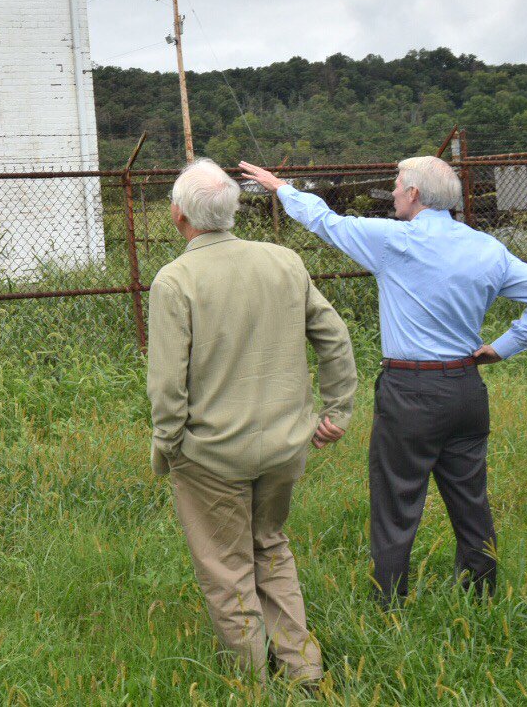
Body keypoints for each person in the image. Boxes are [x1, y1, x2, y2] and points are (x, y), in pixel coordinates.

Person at [239, 155, 527, 603]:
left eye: (397, 185)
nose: (392, 192)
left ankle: (389, 604)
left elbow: (325, 221)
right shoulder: (487, 248)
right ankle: (482, 596)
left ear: (413, 194)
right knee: (470, 497)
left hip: (410, 390)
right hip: (467, 388)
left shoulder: (394, 241)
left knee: (397, 499)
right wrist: (503, 347)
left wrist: (280, 187)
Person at [147, 159, 357, 685]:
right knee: (270, 544)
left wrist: (169, 446)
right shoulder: (283, 261)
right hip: (286, 446)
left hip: (210, 454)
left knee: (226, 567)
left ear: (178, 216)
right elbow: (334, 338)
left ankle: (252, 681)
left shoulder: (175, 281)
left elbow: (167, 385)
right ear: (234, 210)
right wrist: (337, 410)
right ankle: (303, 668)